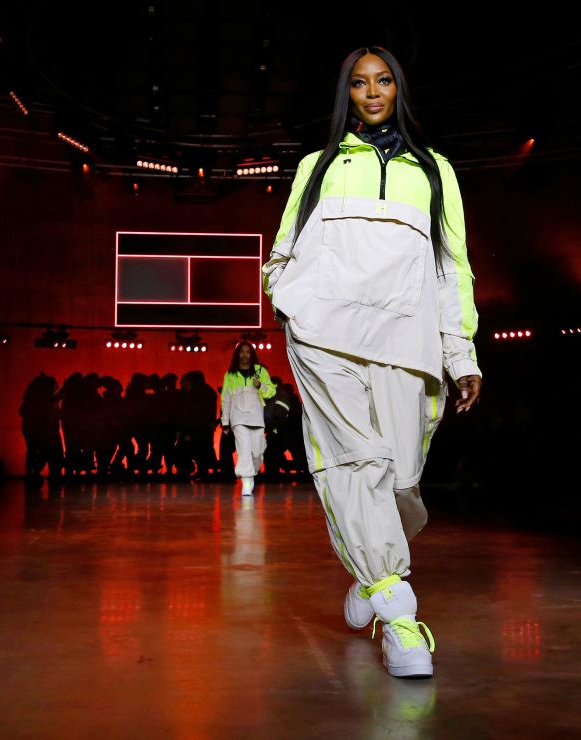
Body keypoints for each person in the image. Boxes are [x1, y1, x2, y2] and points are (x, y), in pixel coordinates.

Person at [262, 46, 482, 678]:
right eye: (360, 83)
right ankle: (398, 610)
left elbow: (452, 269)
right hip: (327, 336)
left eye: (383, 80)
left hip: (404, 340)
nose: (372, 91)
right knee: (359, 464)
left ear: (398, 88)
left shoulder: (435, 172)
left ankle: (369, 568)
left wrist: (459, 352)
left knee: (399, 478)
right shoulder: (319, 166)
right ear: (347, 94)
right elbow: (283, 250)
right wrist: (296, 304)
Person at [220, 341, 276, 495]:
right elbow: (225, 398)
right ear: (237, 354)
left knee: (257, 452)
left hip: (256, 417)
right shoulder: (230, 375)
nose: (245, 355)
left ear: (252, 354)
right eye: (242, 352)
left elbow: (271, 392)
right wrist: (225, 422)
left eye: (248, 352)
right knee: (243, 450)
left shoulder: (260, 371)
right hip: (238, 418)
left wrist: (260, 386)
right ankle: (246, 481)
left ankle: (252, 472)